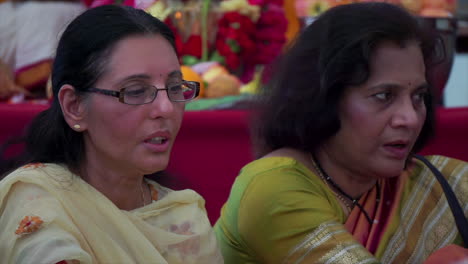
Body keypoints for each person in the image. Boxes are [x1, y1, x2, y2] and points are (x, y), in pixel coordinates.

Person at [214, 2, 468, 263]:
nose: (411, 118)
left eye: (418, 97)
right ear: (323, 100)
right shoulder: (273, 189)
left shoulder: (434, 182)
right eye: (383, 96)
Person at [0, 5, 223, 263]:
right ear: (74, 107)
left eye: (174, 87)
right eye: (136, 91)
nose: (166, 108)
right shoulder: (37, 202)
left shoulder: (183, 217)